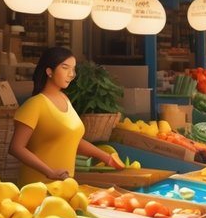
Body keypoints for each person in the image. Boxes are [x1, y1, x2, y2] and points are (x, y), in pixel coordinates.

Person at [9, 47, 123, 185]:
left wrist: (106, 158)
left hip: (65, 184)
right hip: (37, 186)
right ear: (49, 71)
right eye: (65, 68)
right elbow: (16, 148)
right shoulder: (34, 105)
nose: (71, 74)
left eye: (73, 69)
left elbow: (72, 139)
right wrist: (49, 172)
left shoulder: (65, 99)